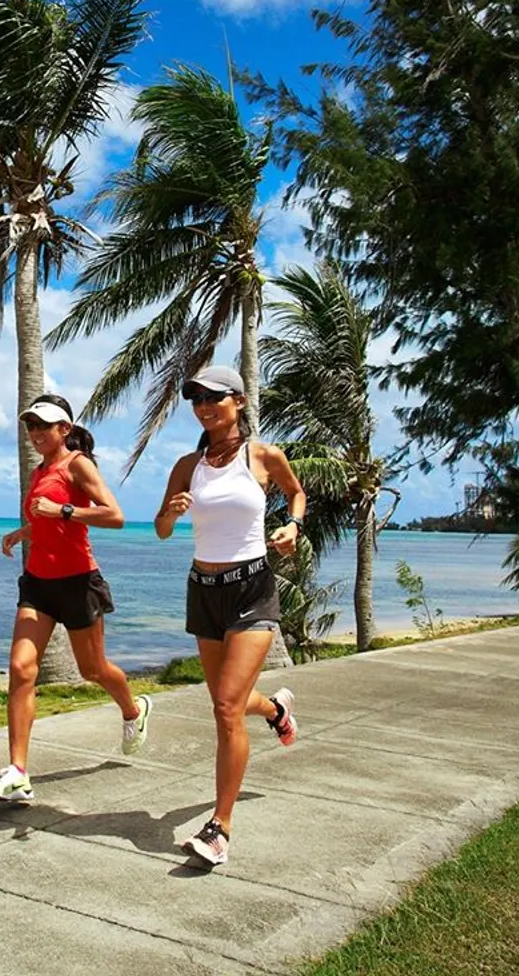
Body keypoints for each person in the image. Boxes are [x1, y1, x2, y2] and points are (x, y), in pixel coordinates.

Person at [153, 365, 305, 867]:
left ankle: (220, 828)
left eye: (213, 397)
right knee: (229, 701)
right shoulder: (186, 465)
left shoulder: (263, 455)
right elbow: (161, 529)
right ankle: (278, 711)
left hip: (252, 589)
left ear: (238, 400)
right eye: (195, 399)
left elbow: (296, 493)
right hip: (203, 591)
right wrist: (171, 513)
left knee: (224, 710)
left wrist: (292, 525)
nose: (203, 406)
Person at [0, 394, 151, 802]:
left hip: (78, 583)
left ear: (65, 430)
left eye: (44, 425)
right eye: (31, 426)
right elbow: (44, 517)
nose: (36, 433)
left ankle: (133, 710)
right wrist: (24, 532)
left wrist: (64, 512)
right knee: (22, 669)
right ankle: (18, 771)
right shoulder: (40, 470)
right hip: (38, 583)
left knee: (92, 669)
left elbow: (115, 516)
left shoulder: (78, 465)